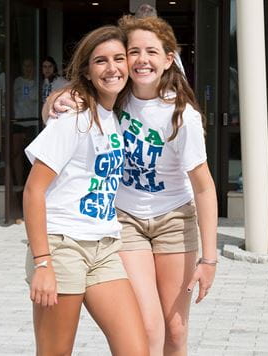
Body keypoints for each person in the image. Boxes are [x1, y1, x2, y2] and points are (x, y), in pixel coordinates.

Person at [44, 16, 218, 356]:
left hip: (174, 221)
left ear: (169, 59)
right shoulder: (114, 94)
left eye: (152, 51)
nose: (142, 59)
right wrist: (55, 99)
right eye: (133, 51)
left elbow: (204, 187)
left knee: (176, 330)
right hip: (125, 220)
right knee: (148, 326)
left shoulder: (181, 115)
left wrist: (209, 259)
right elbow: (70, 102)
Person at [23, 25, 148, 355]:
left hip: (104, 248)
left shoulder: (114, 114)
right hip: (62, 247)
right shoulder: (74, 115)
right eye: (101, 61)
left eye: (118, 59)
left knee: (136, 349)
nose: (112, 68)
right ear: (87, 72)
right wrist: (43, 264)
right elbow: (34, 190)